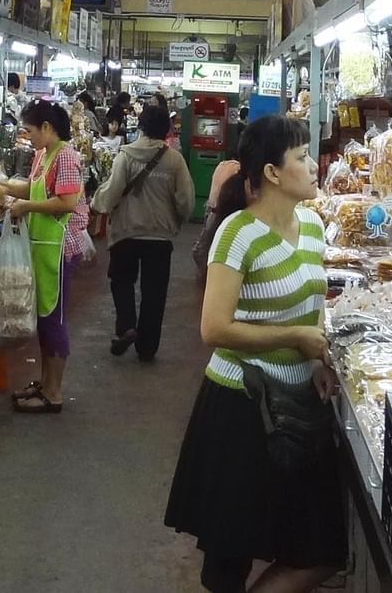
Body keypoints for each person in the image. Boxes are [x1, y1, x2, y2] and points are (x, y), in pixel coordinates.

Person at [165, 116, 343, 593]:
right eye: (301, 158)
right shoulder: (238, 233)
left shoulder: (311, 225)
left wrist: (314, 359)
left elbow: (314, 302)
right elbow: (214, 327)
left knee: (322, 550)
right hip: (241, 407)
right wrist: (296, 339)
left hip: (295, 406)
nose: (312, 166)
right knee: (228, 561)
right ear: (271, 173)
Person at [0, 99, 90, 413]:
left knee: (54, 320)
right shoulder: (42, 156)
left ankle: (54, 393)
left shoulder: (66, 157)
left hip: (59, 249)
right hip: (43, 247)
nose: (28, 136)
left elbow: (67, 202)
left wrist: (26, 208)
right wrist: (0, 187)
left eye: (30, 130)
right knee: (45, 319)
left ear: (47, 128)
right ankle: (45, 383)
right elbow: (33, 190)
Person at [92, 99, 194, 363]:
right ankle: (147, 347)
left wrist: (97, 204)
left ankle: (127, 326)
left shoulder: (126, 155)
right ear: (167, 131)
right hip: (159, 237)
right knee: (155, 291)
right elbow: (186, 200)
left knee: (122, 280)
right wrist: (179, 219)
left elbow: (112, 192)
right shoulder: (175, 160)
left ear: (142, 127)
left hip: (126, 232)